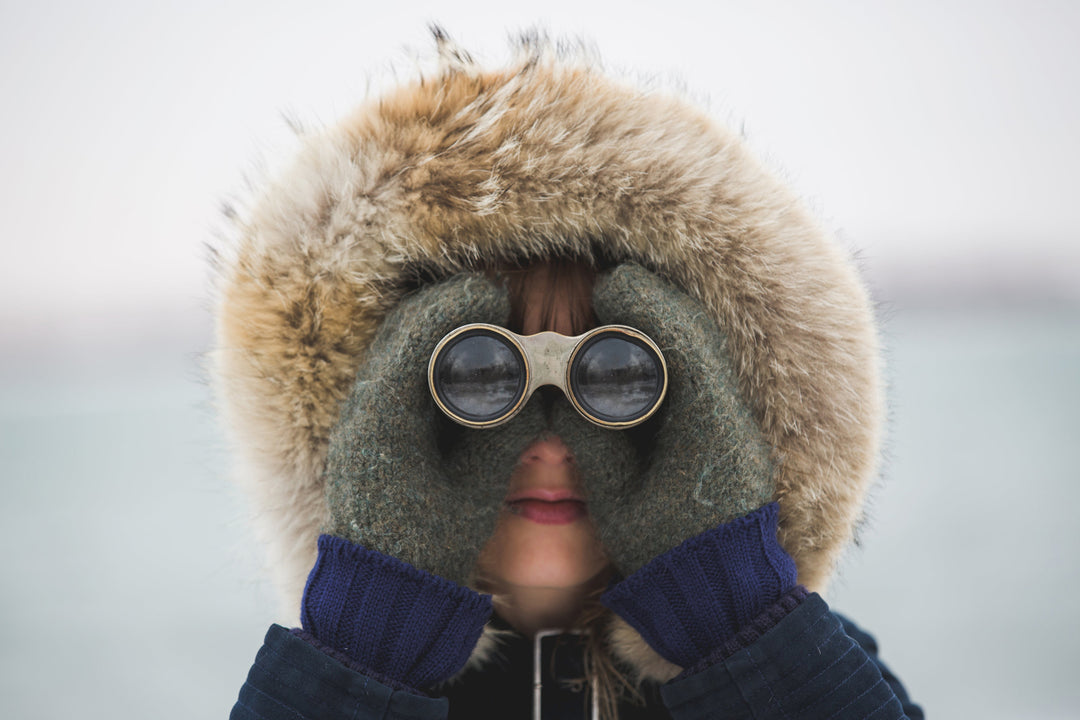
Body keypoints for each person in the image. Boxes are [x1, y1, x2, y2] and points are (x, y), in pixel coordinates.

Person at [213, 33, 924, 720]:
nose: (550, 446)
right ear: (377, 414)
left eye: (613, 375)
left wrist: (732, 614)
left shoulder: (817, 676)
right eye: (484, 374)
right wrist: (367, 644)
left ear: (716, 410)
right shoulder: (315, 684)